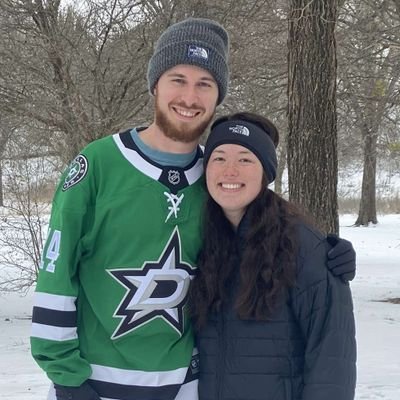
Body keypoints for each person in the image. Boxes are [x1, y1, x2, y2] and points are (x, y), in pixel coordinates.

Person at [30, 18, 356, 400]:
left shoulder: (214, 176)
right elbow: (56, 276)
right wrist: (67, 376)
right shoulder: (98, 165)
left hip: (185, 387)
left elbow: (258, 231)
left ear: (217, 97)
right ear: (154, 84)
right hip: (98, 385)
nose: (190, 97)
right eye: (178, 80)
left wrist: (326, 251)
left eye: (205, 84)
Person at [190, 112, 357, 400]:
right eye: (219, 158)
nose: (230, 171)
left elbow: (332, 359)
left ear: (265, 172)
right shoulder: (198, 238)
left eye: (245, 159)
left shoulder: (305, 248)